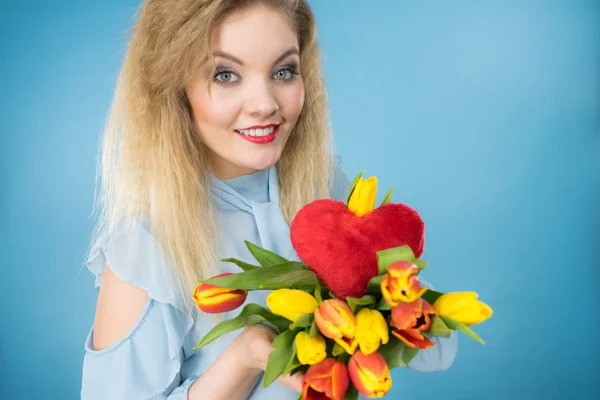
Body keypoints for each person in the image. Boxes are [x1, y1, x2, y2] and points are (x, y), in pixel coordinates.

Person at [81, 0, 458, 399]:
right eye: (225, 74)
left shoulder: (326, 190)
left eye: (283, 71)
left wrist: (377, 285)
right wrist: (242, 359)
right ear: (176, 88)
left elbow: (438, 352)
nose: (265, 104)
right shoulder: (145, 244)